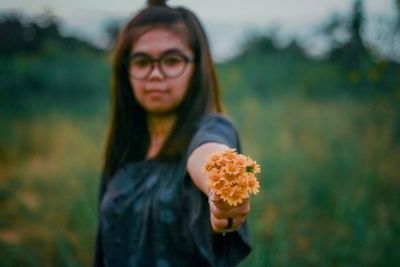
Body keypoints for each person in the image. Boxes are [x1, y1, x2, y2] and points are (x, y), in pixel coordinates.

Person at [93, 0, 251, 266]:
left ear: (196, 67)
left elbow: (209, 151)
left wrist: (223, 178)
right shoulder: (125, 145)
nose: (156, 74)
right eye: (142, 62)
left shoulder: (212, 127)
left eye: (172, 60)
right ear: (126, 70)